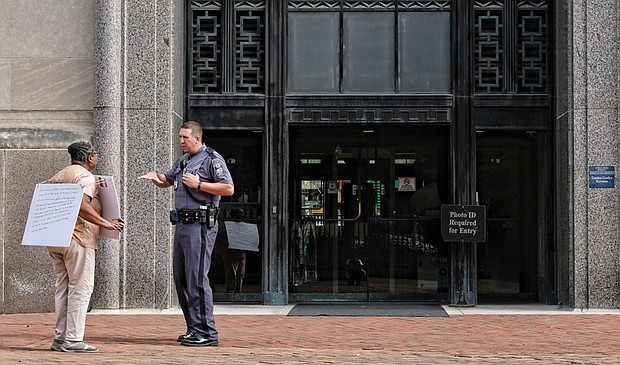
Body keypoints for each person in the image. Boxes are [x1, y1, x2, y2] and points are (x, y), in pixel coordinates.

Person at [138, 121, 234, 347]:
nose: (181, 141)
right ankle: (193, 328)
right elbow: (168, 180)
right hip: (182, 225)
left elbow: (228, 188)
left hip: (200, 226)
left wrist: (200, 184)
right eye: (180, 137)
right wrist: (156, 178)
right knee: (181, 278)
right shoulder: (184, 160)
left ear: (197, 138)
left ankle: (207, 332)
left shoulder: (212, 159)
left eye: (185, 137)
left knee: (197, 278)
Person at [47, 141, 125, 353]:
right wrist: (106, 223)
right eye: (96, 154)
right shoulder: (85, 177)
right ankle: (73, 340)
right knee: (81, 289)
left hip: (56, 239)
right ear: (90, 158)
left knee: (62, 289)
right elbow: (82, 206)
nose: (97, 157)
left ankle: (60, 338)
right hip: (79, 239)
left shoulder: (60, 175)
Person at [219, 208, 248, 293]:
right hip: (230, 253)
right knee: (231, 274)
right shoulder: (227, 226)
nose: (240, 215)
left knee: (241, 273)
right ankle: (230, 292)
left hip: (242, 253)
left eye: (242, 214)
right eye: (238, 213)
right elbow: (220, 237)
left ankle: (238, 291)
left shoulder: (245, 226)